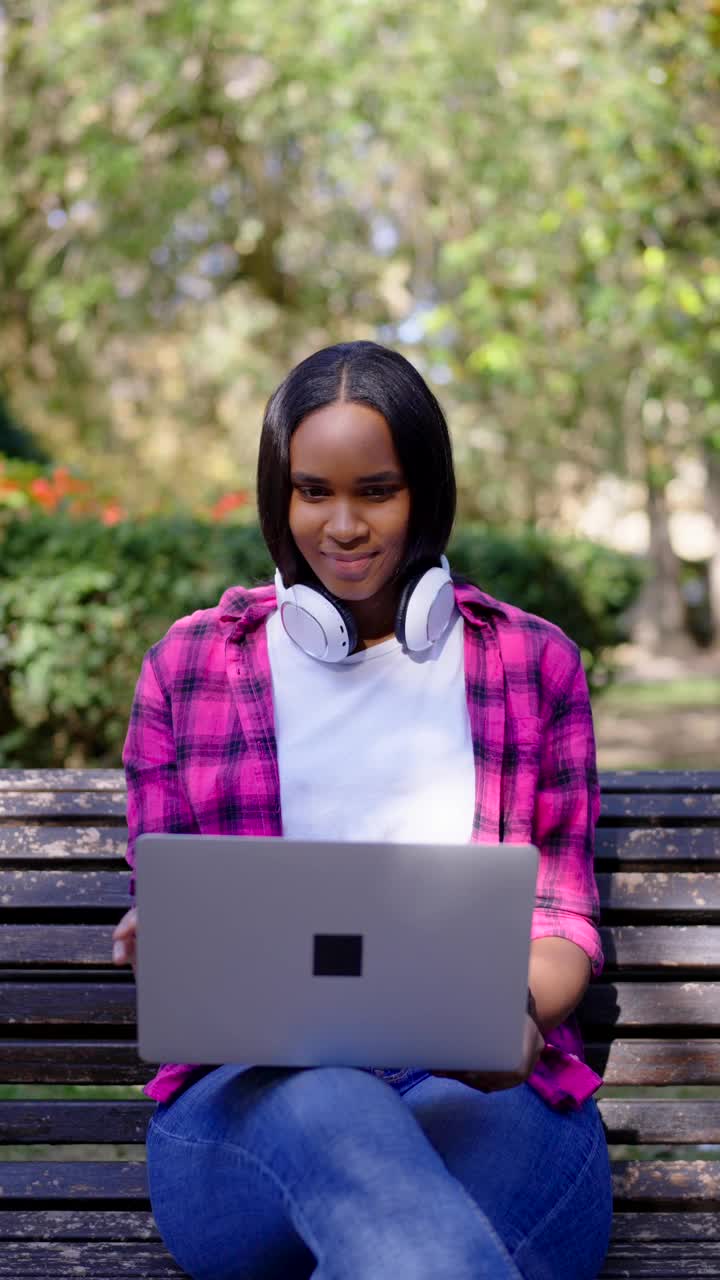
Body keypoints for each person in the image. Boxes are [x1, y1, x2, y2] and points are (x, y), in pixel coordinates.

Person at [112, 340, 613, 1280]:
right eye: (313, 491)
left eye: (376, 491)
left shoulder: (532, 665)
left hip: (487, 1103)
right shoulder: (188, 669)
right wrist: (176, 935)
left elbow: (561, 920)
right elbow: (171, 891)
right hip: (254, 1114)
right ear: (280, 494)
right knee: (335, 1104)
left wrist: (518, 1019)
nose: (342, 525)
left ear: (425, 490)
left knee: (404, 1246)